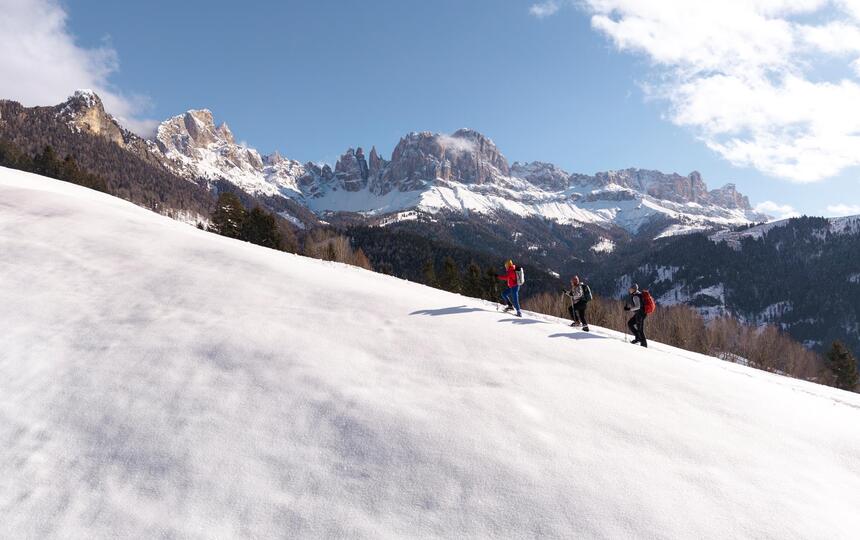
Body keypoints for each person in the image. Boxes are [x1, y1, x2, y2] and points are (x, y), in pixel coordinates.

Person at [624, 283, 647, 347]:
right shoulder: (638, 294)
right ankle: (638, 338)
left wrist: (629, 309)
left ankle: (644, 345)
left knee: (640, 329)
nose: (629, 290)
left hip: (640, 314)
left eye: (631, 289)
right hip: (640, 313)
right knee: (630, 323)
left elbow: (638, 306)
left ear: (634, 289)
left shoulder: (635, 296)